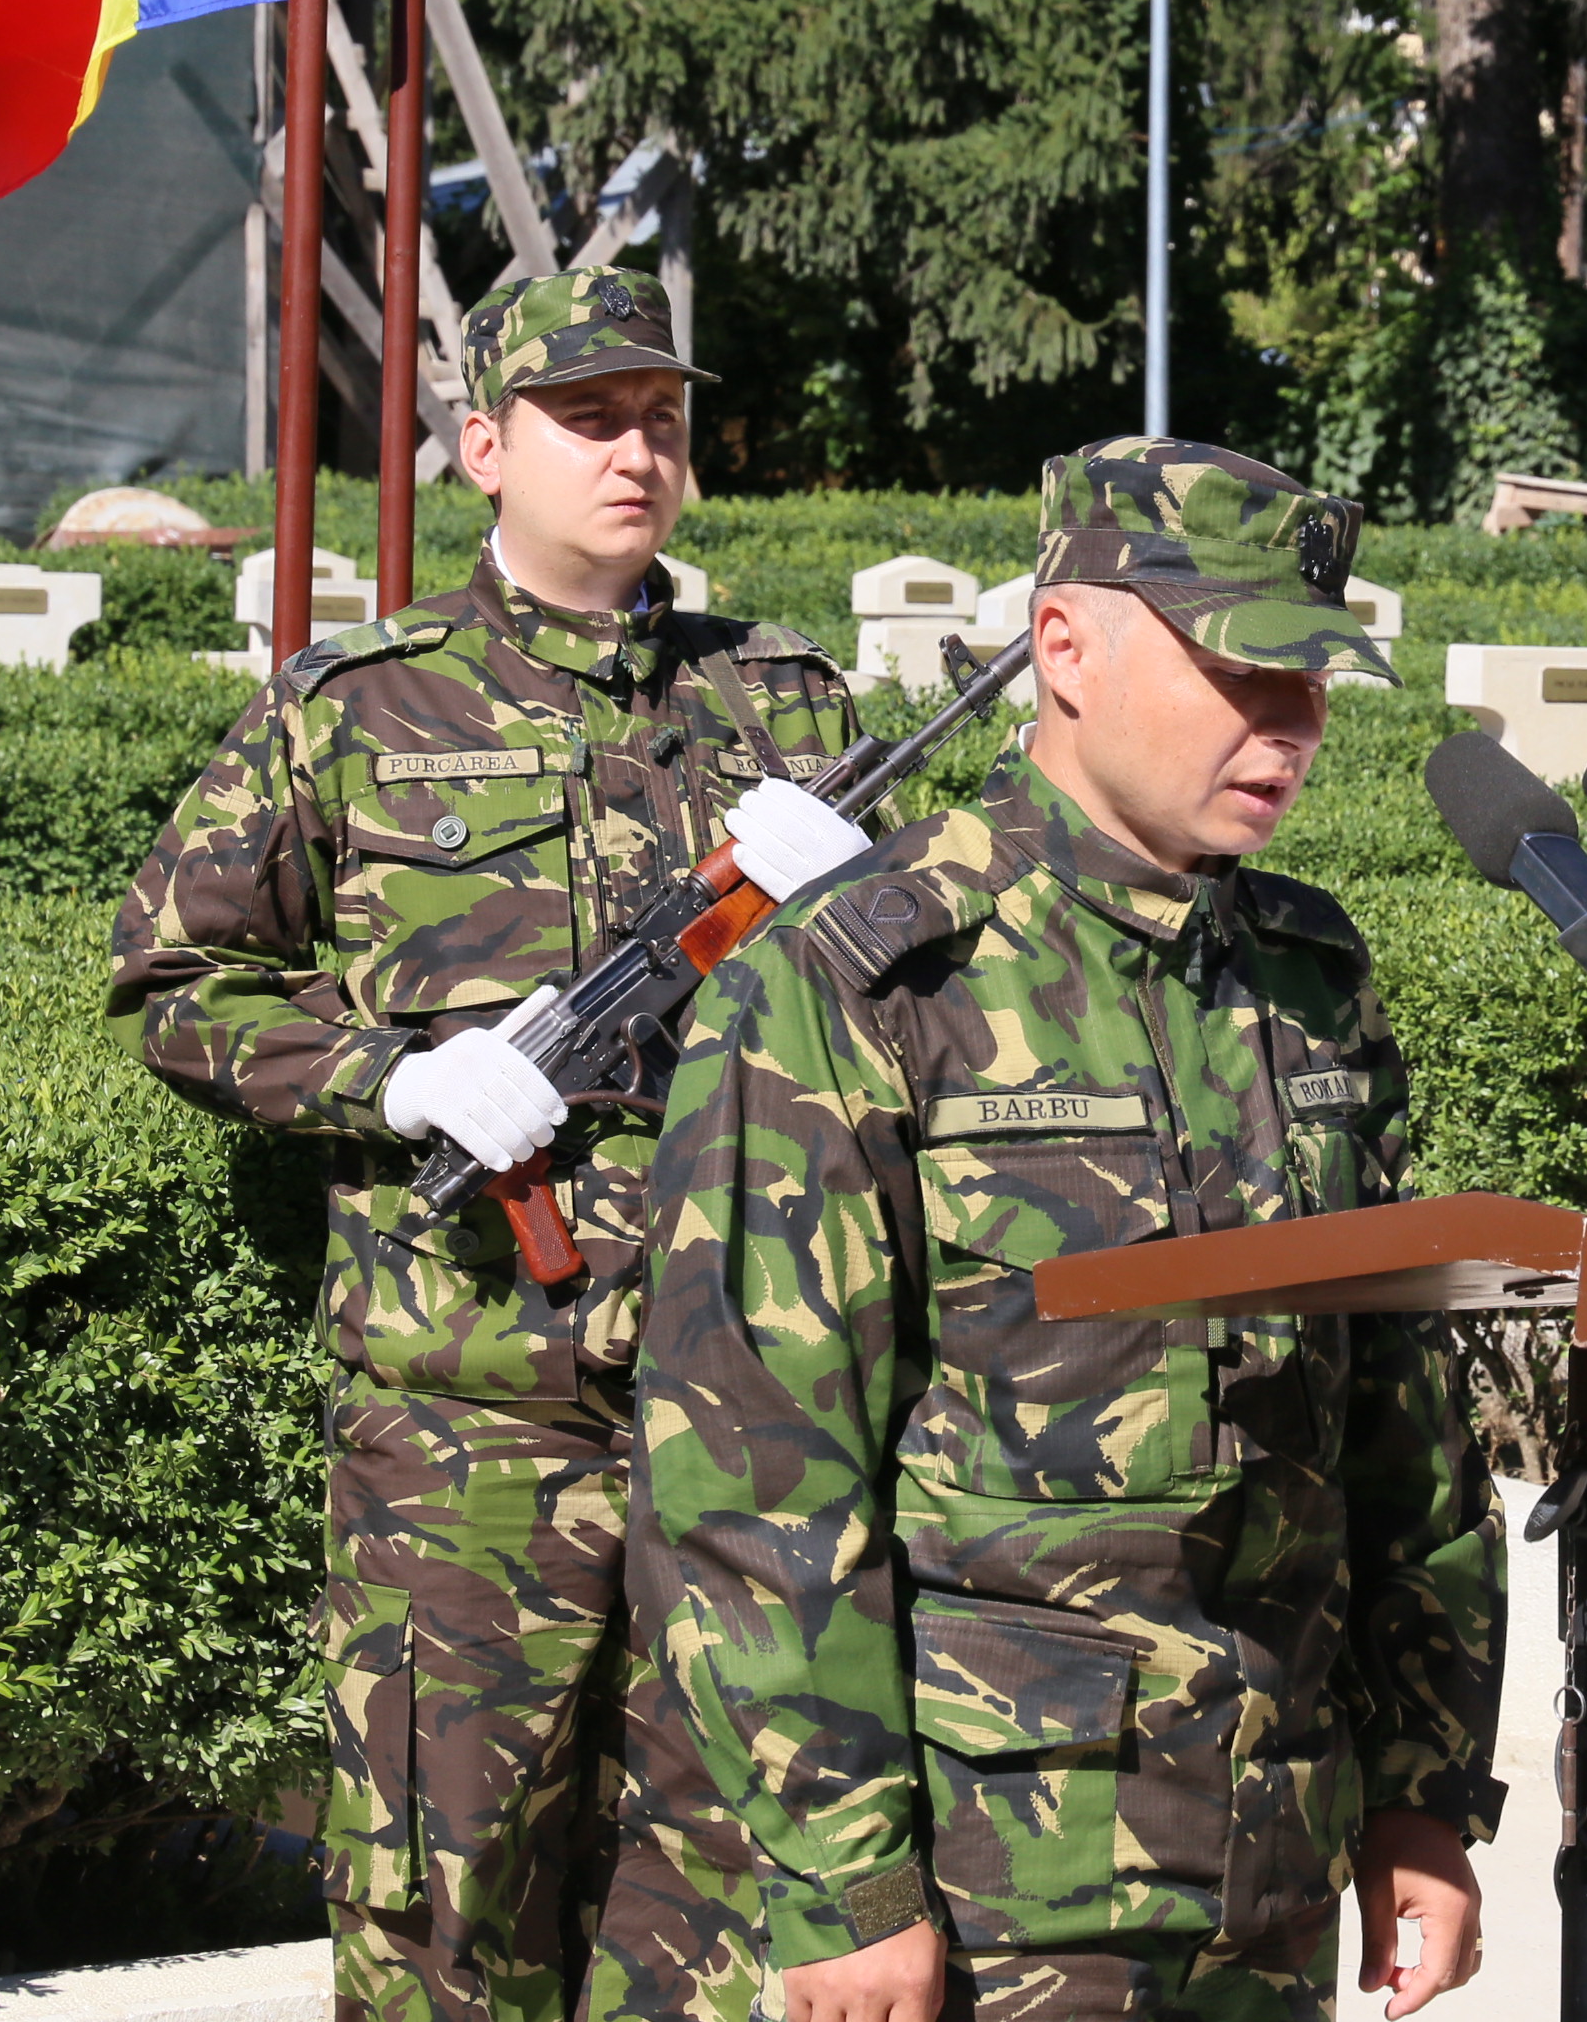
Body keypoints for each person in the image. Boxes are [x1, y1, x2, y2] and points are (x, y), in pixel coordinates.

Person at [619, 438, 1507, 2022]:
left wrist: (1421, 1789)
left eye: (1310, 680)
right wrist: (844, 1881)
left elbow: (1400, 1429)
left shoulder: (1311, 982)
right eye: (1241, 668)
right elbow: (754, 1463)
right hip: (992, 1887)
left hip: (1269, 1855)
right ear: (1066, 645)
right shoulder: (868, 983)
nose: (1291, 724)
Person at [107, 267, 882, 2022]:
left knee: (716, 1902)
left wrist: (866, 907)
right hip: (467, 1412)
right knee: (446, 1908)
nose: (636, 452)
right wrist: (395, 1077)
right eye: (590, 419)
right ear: (484, 447)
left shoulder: (794, 709)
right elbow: (173, 981)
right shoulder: (357, 708)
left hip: (748, 1395)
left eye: (661, 421)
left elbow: (920, 1016)